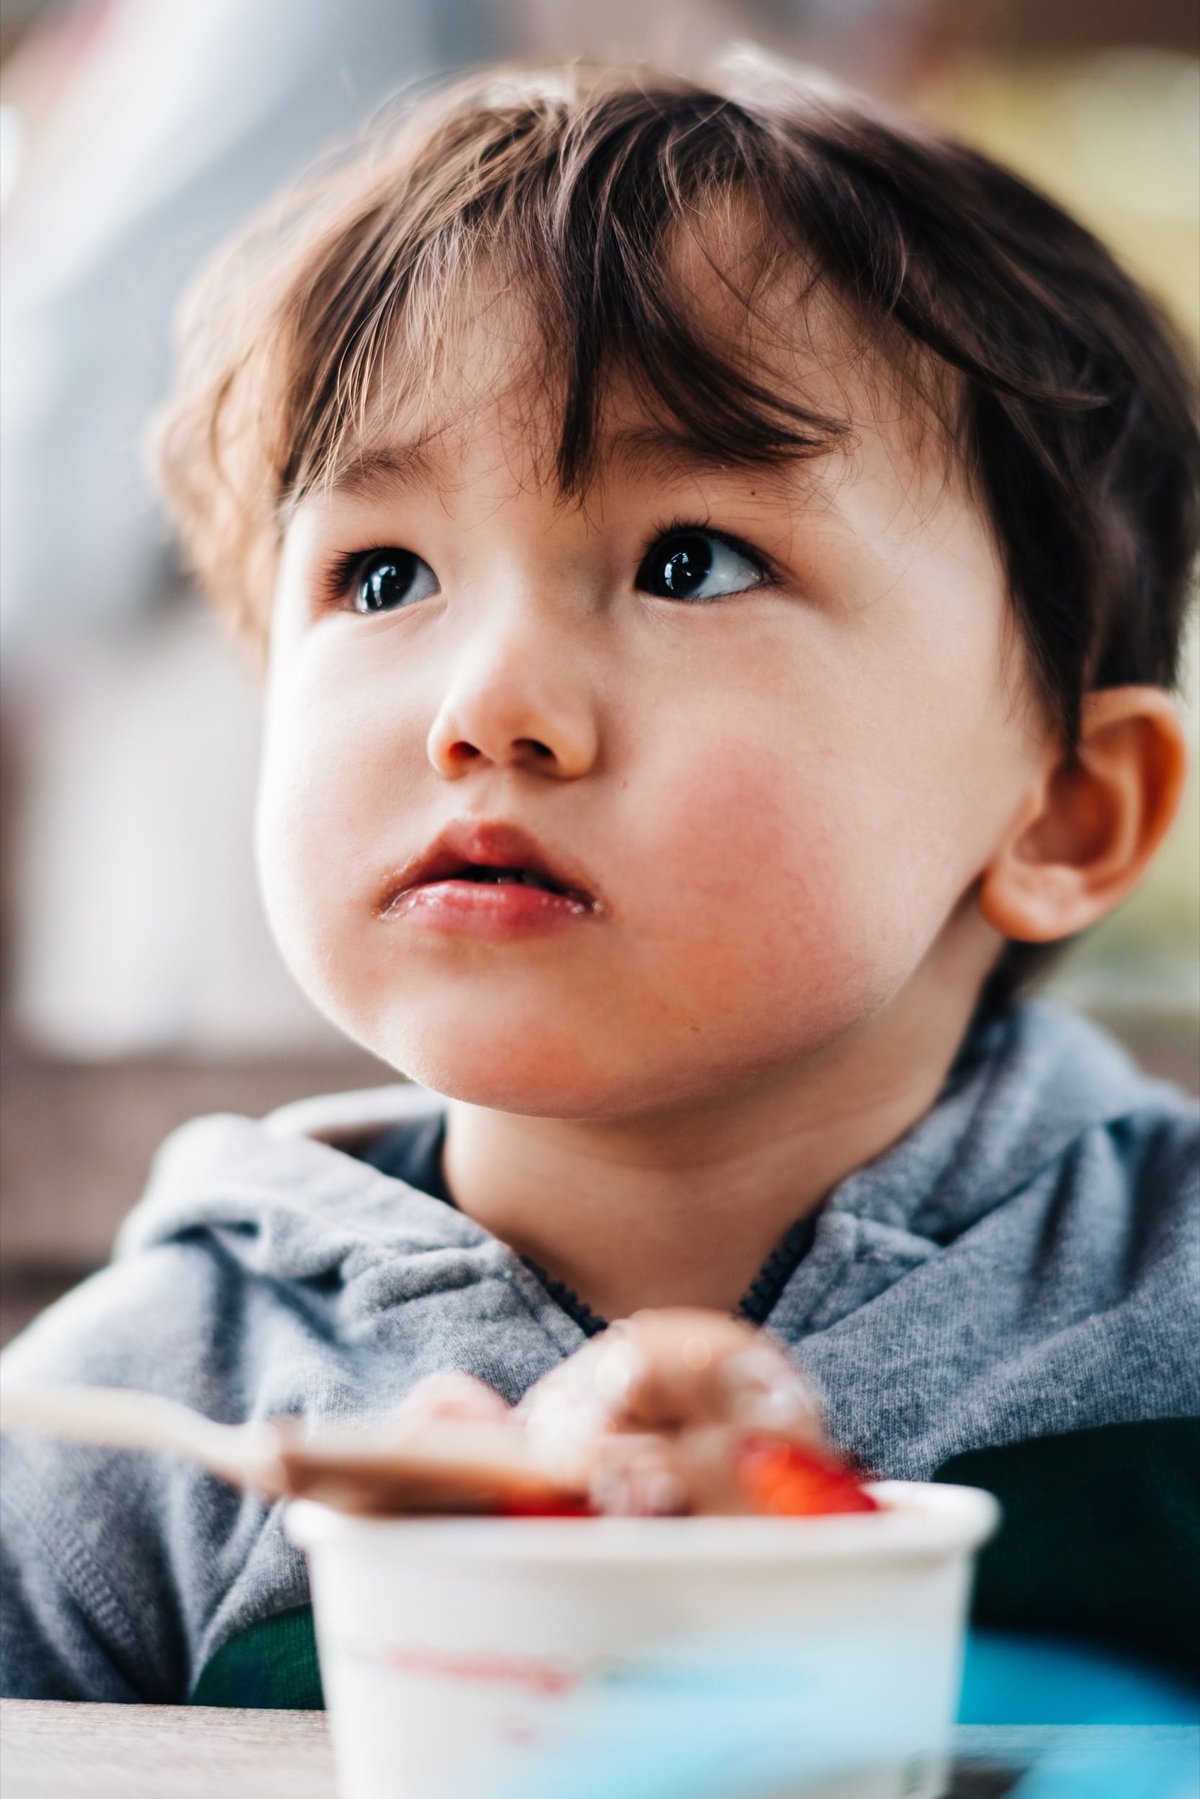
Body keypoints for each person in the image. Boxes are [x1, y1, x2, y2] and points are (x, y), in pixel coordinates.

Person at [1, 56, 1197, 1708]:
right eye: (382, 574)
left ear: (1064, 812)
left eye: (686, 562)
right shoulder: (136, 1427)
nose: (485, 704)